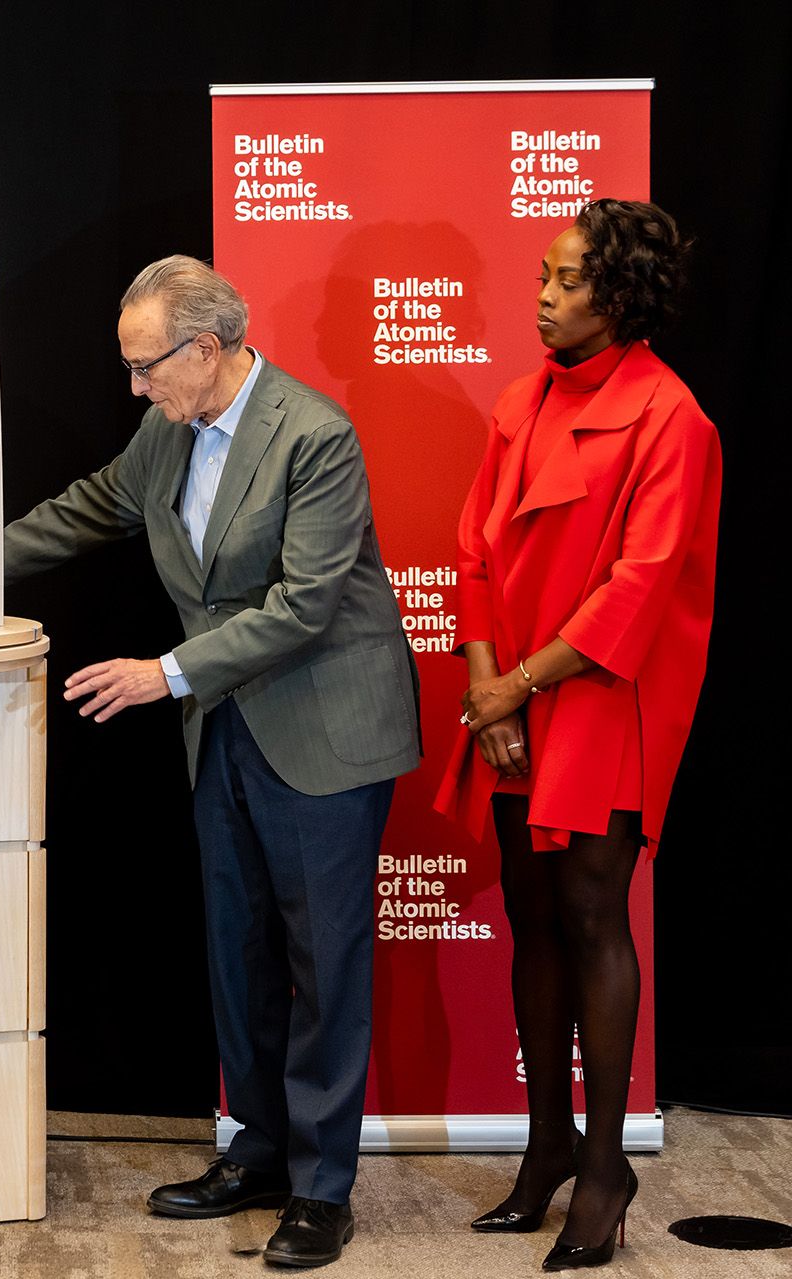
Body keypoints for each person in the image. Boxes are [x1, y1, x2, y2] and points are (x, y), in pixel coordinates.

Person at [5, 255, 420, 1269]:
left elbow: (304, 605)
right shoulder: (168, 429)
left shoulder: (313, 434)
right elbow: (88, 507)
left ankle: (323, 1188)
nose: (135, 388)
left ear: (207, 348)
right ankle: (261, 1153)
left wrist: (163, 673)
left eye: (148, 367)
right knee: (238, 953)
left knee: (323, 963)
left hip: (323, 726)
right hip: (224, 724)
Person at [435, 199, 718, 1271]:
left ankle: (606, 1164)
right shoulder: (520, 400)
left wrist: (517, 687)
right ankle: (547, 1142)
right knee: (532, 914)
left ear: (621, 295)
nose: (543, 295)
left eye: (565, 279)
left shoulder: (672, 418)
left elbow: (638, 590)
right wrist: (488, 687)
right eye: (543, 276)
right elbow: (471, 551)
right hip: (515, 690)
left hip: (607, 696)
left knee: (595, 913)